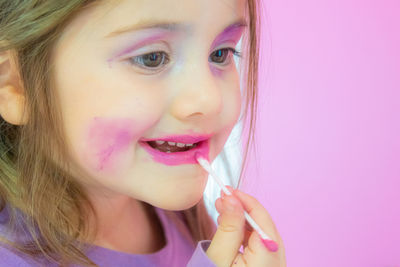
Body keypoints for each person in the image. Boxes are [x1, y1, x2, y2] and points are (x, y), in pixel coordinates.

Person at [0, 0, 286, 266]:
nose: (209, 101)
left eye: (220, 53)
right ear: (15, 85)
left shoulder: (178, 216)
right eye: (152, 58)